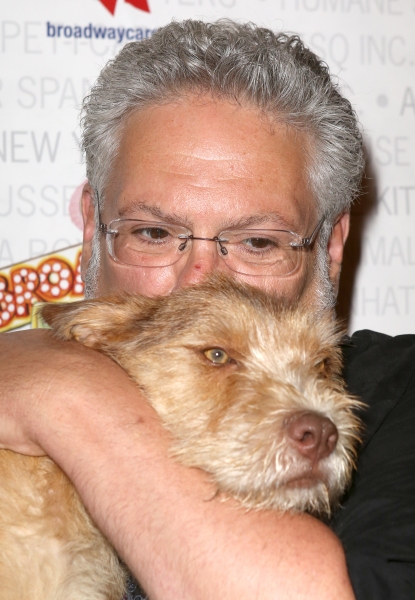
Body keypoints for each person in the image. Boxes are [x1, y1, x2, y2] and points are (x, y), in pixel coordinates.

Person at [1, 20, 414, 599]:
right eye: (152, 231)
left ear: (330, 247)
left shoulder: (400, 398)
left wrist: (63, 394)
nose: (202, 281)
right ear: (94, 228)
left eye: (259, 242)